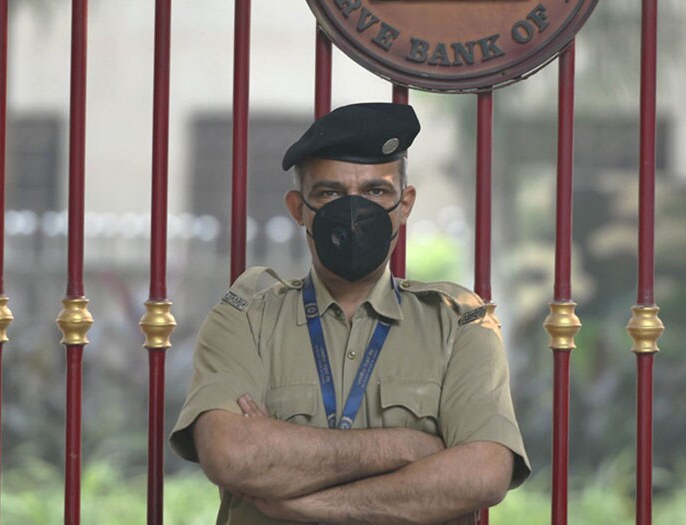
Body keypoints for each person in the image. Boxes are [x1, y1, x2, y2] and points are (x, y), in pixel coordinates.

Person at [170, 102, 530, 524]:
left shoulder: (458, 324)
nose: (355, 210)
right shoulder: (246, 318)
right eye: (330, 193)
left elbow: (484, 473)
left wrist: (308, 502)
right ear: (298, 207)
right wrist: (406, 448)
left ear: (406, 204)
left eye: (376, 191)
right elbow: (231, 455)